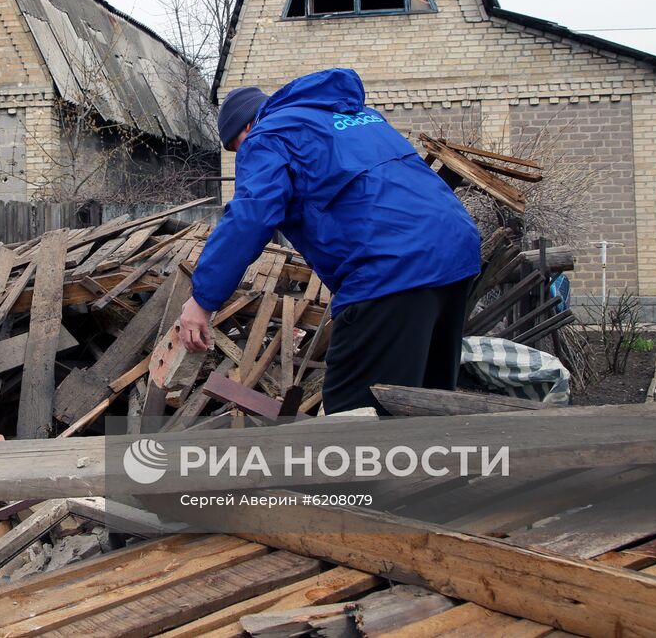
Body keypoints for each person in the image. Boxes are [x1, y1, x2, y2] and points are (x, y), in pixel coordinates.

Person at [177, 68, 481, 414]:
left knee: (355, 418)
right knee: (424, 405)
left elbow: (251, 216)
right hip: (457, 253)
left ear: (247, 127)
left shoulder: (268, 134)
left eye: (237, 147)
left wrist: (202, 300)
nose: (243, 155)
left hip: (392, 267)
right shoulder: (359, 117)